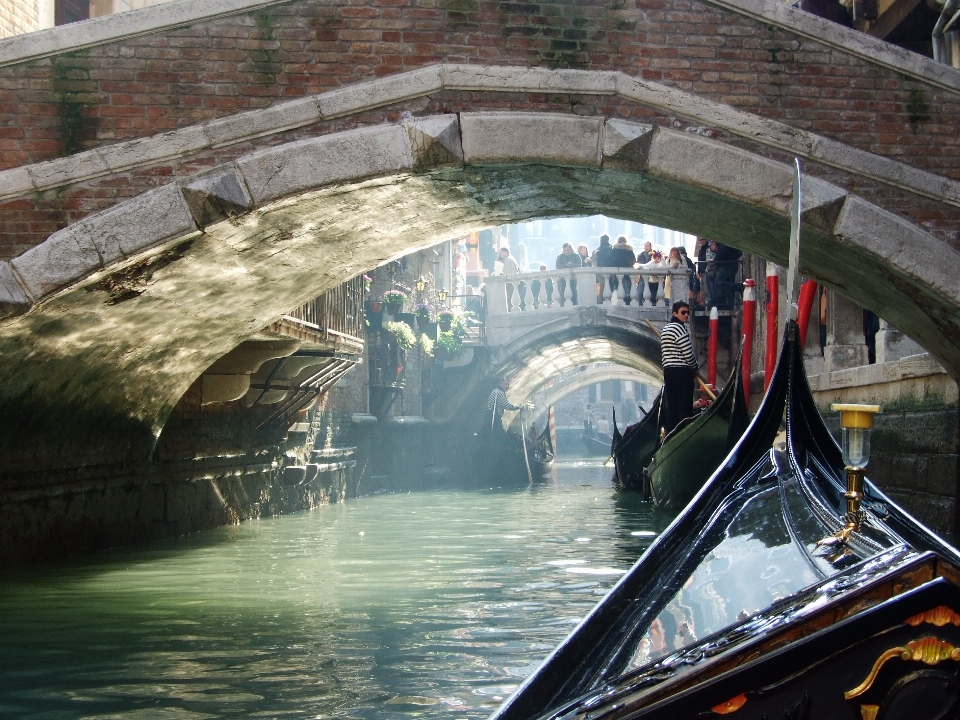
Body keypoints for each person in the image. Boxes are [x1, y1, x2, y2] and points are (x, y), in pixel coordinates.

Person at [660, 300, 698, 435]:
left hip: (669, 371)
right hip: (682, 372)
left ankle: (671, 434)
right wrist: (695, 366)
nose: (686, 315)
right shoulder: (679, 329)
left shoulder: (665, 329)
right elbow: (687, 352)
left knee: (672, 406)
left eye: (688, 312)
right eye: (683, 312)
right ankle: (683, 433)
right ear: (675, 313)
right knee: (684, 406)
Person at [486, 377, 521, 443]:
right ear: (500, 384)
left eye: (508, 384)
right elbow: (507, 406)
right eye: (505, 384)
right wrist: (517, 407)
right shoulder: (499, 393)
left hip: (491, 417)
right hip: (493, 418)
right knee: (499, 436)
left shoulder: (496, 391)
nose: (507, 386)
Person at [611, 236, 637, 304]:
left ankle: (621, 301)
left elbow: (612, 261)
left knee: (620, 286)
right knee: (628, 287)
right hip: (628, 271)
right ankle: (628, 300)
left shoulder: (614, 250)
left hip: (618, 271)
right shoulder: (629, 250)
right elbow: (634, 260)